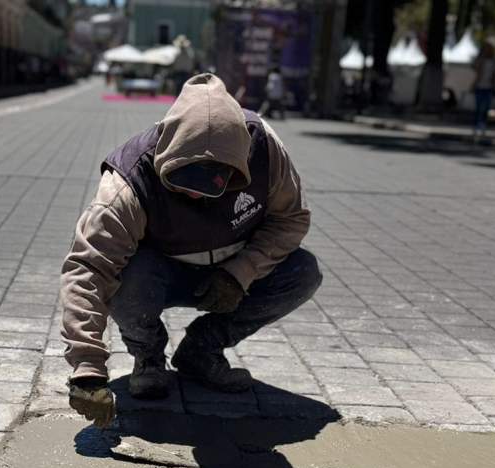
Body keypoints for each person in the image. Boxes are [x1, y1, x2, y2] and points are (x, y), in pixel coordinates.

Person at [61, 74, 320, 428]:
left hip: (230, 270)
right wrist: (87, 367)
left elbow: (290, 220)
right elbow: (89, 268)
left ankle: (201, 350)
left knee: (302, 274)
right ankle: (148, 356)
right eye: (184, 183)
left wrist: (241, 272)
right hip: (159, 273)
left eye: (215, 184)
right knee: (125, 277)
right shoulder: (128, 183)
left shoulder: (264, 150)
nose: (198, 196)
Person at [471, 43, 495, 137]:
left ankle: (482, 125)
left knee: (486, 108)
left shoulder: (494, 62)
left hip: (489, 87)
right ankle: (477, 125)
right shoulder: (481, 60)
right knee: (478, 108)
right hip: (479, 86)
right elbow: (474, 68)